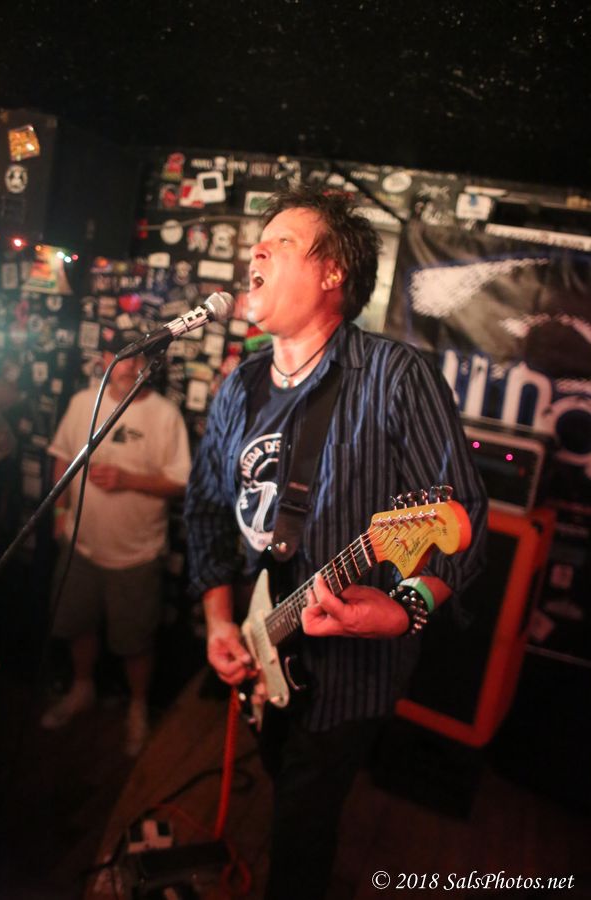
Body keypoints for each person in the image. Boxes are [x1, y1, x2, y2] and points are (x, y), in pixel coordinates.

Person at [184, 185, 487, 898]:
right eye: (258, 242)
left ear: (332, 273)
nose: (257, 250)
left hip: (350, 681)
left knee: (303, 832)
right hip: (263, 639)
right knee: (278, 781)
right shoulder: (240, 387)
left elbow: (463, 524)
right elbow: (205, 510)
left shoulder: (395, 376)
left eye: (282, 242)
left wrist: (405, 609)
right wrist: (222, 620)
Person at [41, 333, 191, 756]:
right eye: (120, 357)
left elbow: (180, 482)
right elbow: (61, 457)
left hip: (137, 553)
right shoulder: (82, 403)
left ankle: (138, 709)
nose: (127, 367)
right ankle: (81, 689)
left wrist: (128, 480)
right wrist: (59, 515)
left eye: (137, 359)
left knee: (135, 641)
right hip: (82, 546)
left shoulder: (164, 415)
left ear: (149, 364)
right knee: (79, 625)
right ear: (106, 359)